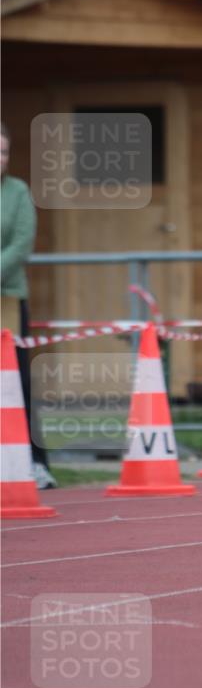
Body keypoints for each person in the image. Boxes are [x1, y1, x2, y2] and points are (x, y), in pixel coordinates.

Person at [1, 122, 57, 488]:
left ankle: (36, 463)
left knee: (16, 381)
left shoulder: (18, 191)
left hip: (8, 297)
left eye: (3, 152)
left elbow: (22, 242)